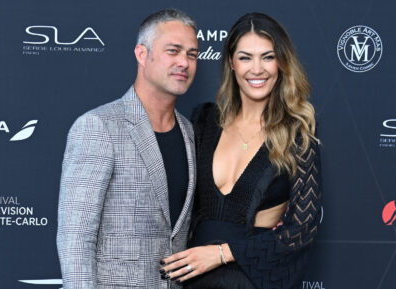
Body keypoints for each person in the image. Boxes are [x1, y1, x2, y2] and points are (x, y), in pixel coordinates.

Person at [160, 12, 322, 289]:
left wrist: (222, 253)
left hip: (250, 280)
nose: (256, 69)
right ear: (231, 63)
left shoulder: (296, 136)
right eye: (245, 57)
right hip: (189, 279)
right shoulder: (204, 120)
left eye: (268, 57)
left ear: (281, 63)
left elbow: (302, 229)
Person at [57, 9, 198, 289]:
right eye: (173, 51)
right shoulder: (99, 126)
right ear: (142, 54)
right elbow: (75, 237)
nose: (184, 62)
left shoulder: (188, 131)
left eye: (192, 54)